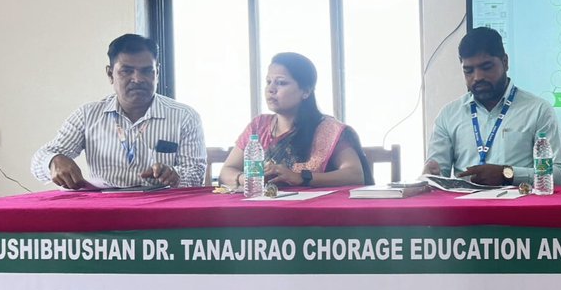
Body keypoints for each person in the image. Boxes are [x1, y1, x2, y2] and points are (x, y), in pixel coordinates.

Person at [32, 33, 206, 189]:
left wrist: (175, 175)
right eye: (127, 71)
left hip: (162, 206)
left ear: (157, 73)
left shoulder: (184, 116)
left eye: (147, 71)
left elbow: (196, 174)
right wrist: (53, 160)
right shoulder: (88, 115)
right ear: (110, 74)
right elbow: (39, 159)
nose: (137, 79)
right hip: (104, 207)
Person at [423, 27, 561, 186]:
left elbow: (559, 176)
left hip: (520, 201)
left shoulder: (538, 110)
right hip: (464, 201)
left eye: (486, 68)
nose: (477, 77)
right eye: (468, 71)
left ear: (505, 62)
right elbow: (436, 177)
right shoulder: (449, 115)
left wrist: (508, 174)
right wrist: (430, 176)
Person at [217, 52, 367, 189]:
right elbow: (227, 171)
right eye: (268, 82)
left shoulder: (328, 130)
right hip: (261, 205)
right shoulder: (258, 126)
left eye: (281, 83)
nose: (271, 89)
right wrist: (245, 179)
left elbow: (354, 174)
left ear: (306, 91)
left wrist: (302, 177)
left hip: (310, 206)